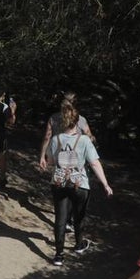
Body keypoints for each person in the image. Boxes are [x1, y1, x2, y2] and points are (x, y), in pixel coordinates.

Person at [45, 100, 111, 266]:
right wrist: (105, 184)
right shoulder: (84, 141)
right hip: (79, 183)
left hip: (59, 182)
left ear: (63, 121)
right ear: (77, 121)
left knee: (60, 218)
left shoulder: (55, 139)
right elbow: (95, 163)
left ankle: (59, 255)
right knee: (78, 217)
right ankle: (79, 245)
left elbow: (51, 161)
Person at [37, 90, 95, 170]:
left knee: (58, 180)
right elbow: (90, 137)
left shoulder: (53, 118)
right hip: (76, 161)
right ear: (76, 103)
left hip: (59, 160)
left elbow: (47, 137)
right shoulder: (81, 119)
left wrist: (42, 156)